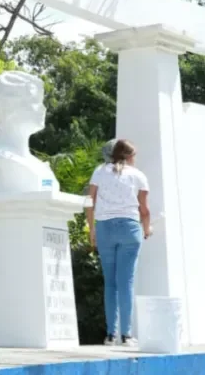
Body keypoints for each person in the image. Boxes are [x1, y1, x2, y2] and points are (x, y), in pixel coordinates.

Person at [86, 139, 153, 347]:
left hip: (105, 228)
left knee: (111, 283)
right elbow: (144, 210)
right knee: (126, 282)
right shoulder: (138, 175)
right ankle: (126, 335)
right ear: (129, 156)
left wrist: (92, 229)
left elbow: (90, 203)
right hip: (129, 229)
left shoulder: (99, 171)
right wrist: (147, 228)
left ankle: (110, 335)